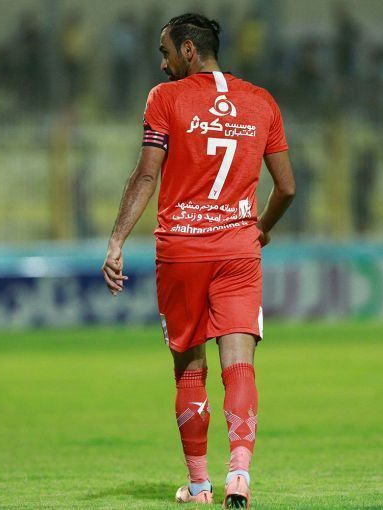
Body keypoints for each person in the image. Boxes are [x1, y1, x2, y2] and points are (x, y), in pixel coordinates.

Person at [101, 13, 295, 508]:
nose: (162, 64)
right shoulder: (261, 101)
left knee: (190, 369)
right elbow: (287, 187)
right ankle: (240, 476)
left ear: (189, 50)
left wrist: (117, 240)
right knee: (240, 365)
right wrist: (262, 227)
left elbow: (147, 176)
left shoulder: (164, 98)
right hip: (238, 248)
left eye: (166, 53)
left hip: (182, 250)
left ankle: (200, 485)